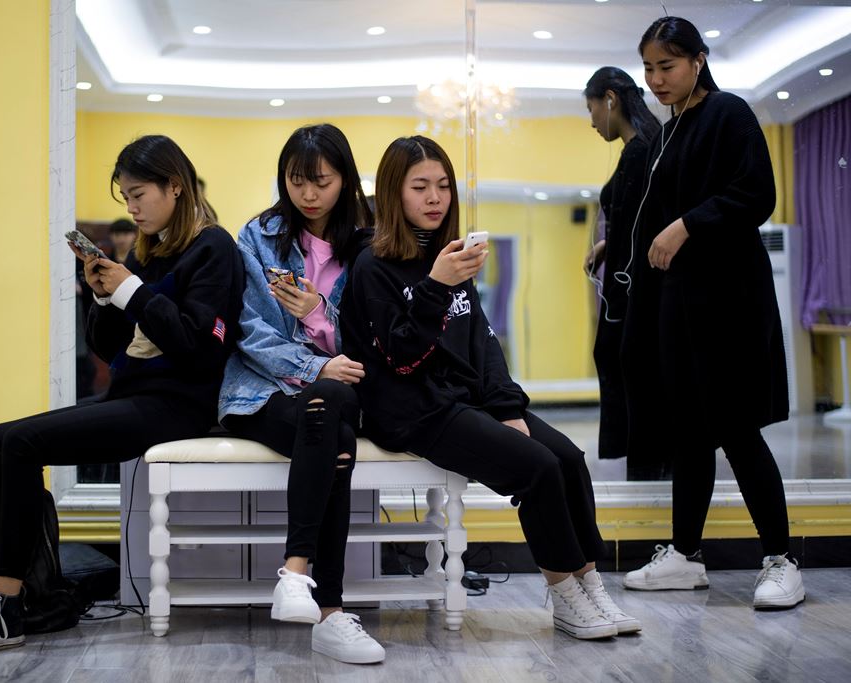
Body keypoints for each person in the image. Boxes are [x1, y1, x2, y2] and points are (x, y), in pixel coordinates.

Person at [0, 134, 245, 656]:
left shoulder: (214, 248)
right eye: (125, 198)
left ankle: (6, 605)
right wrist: (102, 294)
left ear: (174, 186)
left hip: (177, 407)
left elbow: (198, 348)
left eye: (138, 194)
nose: (131, 208)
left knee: (21, 444)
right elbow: (108, 349)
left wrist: (131, 289)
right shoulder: (146, 251)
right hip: (132, 398)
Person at [340, 135, 639, 640]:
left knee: (567, 458)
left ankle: (590, 583)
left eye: (442, 186)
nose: (435, 198)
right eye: (420, 187)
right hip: (414, 410)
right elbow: (401, 356)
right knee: (537, 469)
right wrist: (436, 285)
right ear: (394, 193)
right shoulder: (372, 266)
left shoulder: (452, 254)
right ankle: (563, 592)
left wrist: (506, 407)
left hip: (465, 398)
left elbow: (481, 339)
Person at [621, 17, 804, 610]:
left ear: (698, 60)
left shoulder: (729, 113)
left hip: (727, 300)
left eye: (666, 66)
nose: (654, 80)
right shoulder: (669, 132)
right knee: (689, 434)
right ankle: (684, 555)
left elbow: (756, 194)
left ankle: (782, 560)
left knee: (735, 428)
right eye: (647, 69)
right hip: (679, 305)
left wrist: (687, 224)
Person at [218, 123, 383, 664]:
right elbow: (246, 329)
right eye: (296, 181)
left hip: (337, 390)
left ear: (345, 180)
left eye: (321, 181)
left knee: (333, 402)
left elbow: (369, 338)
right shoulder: (259, 235)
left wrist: (316, 314)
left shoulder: (370, 244)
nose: (308, 194)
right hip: (258, 394)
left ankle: (295, 575)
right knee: (334, 427)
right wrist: (315, 363)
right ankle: (330, 613)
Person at [582, 67, 669, 480]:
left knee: (640, 397)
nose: (592, 120)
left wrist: (618, 281)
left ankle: (647, 494)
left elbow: (640, 232)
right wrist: (606, 245)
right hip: (639, 291)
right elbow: (636, 222)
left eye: (592, 108)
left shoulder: (638, 153)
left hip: (633, 297)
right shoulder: (648, 146)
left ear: (610, 99)